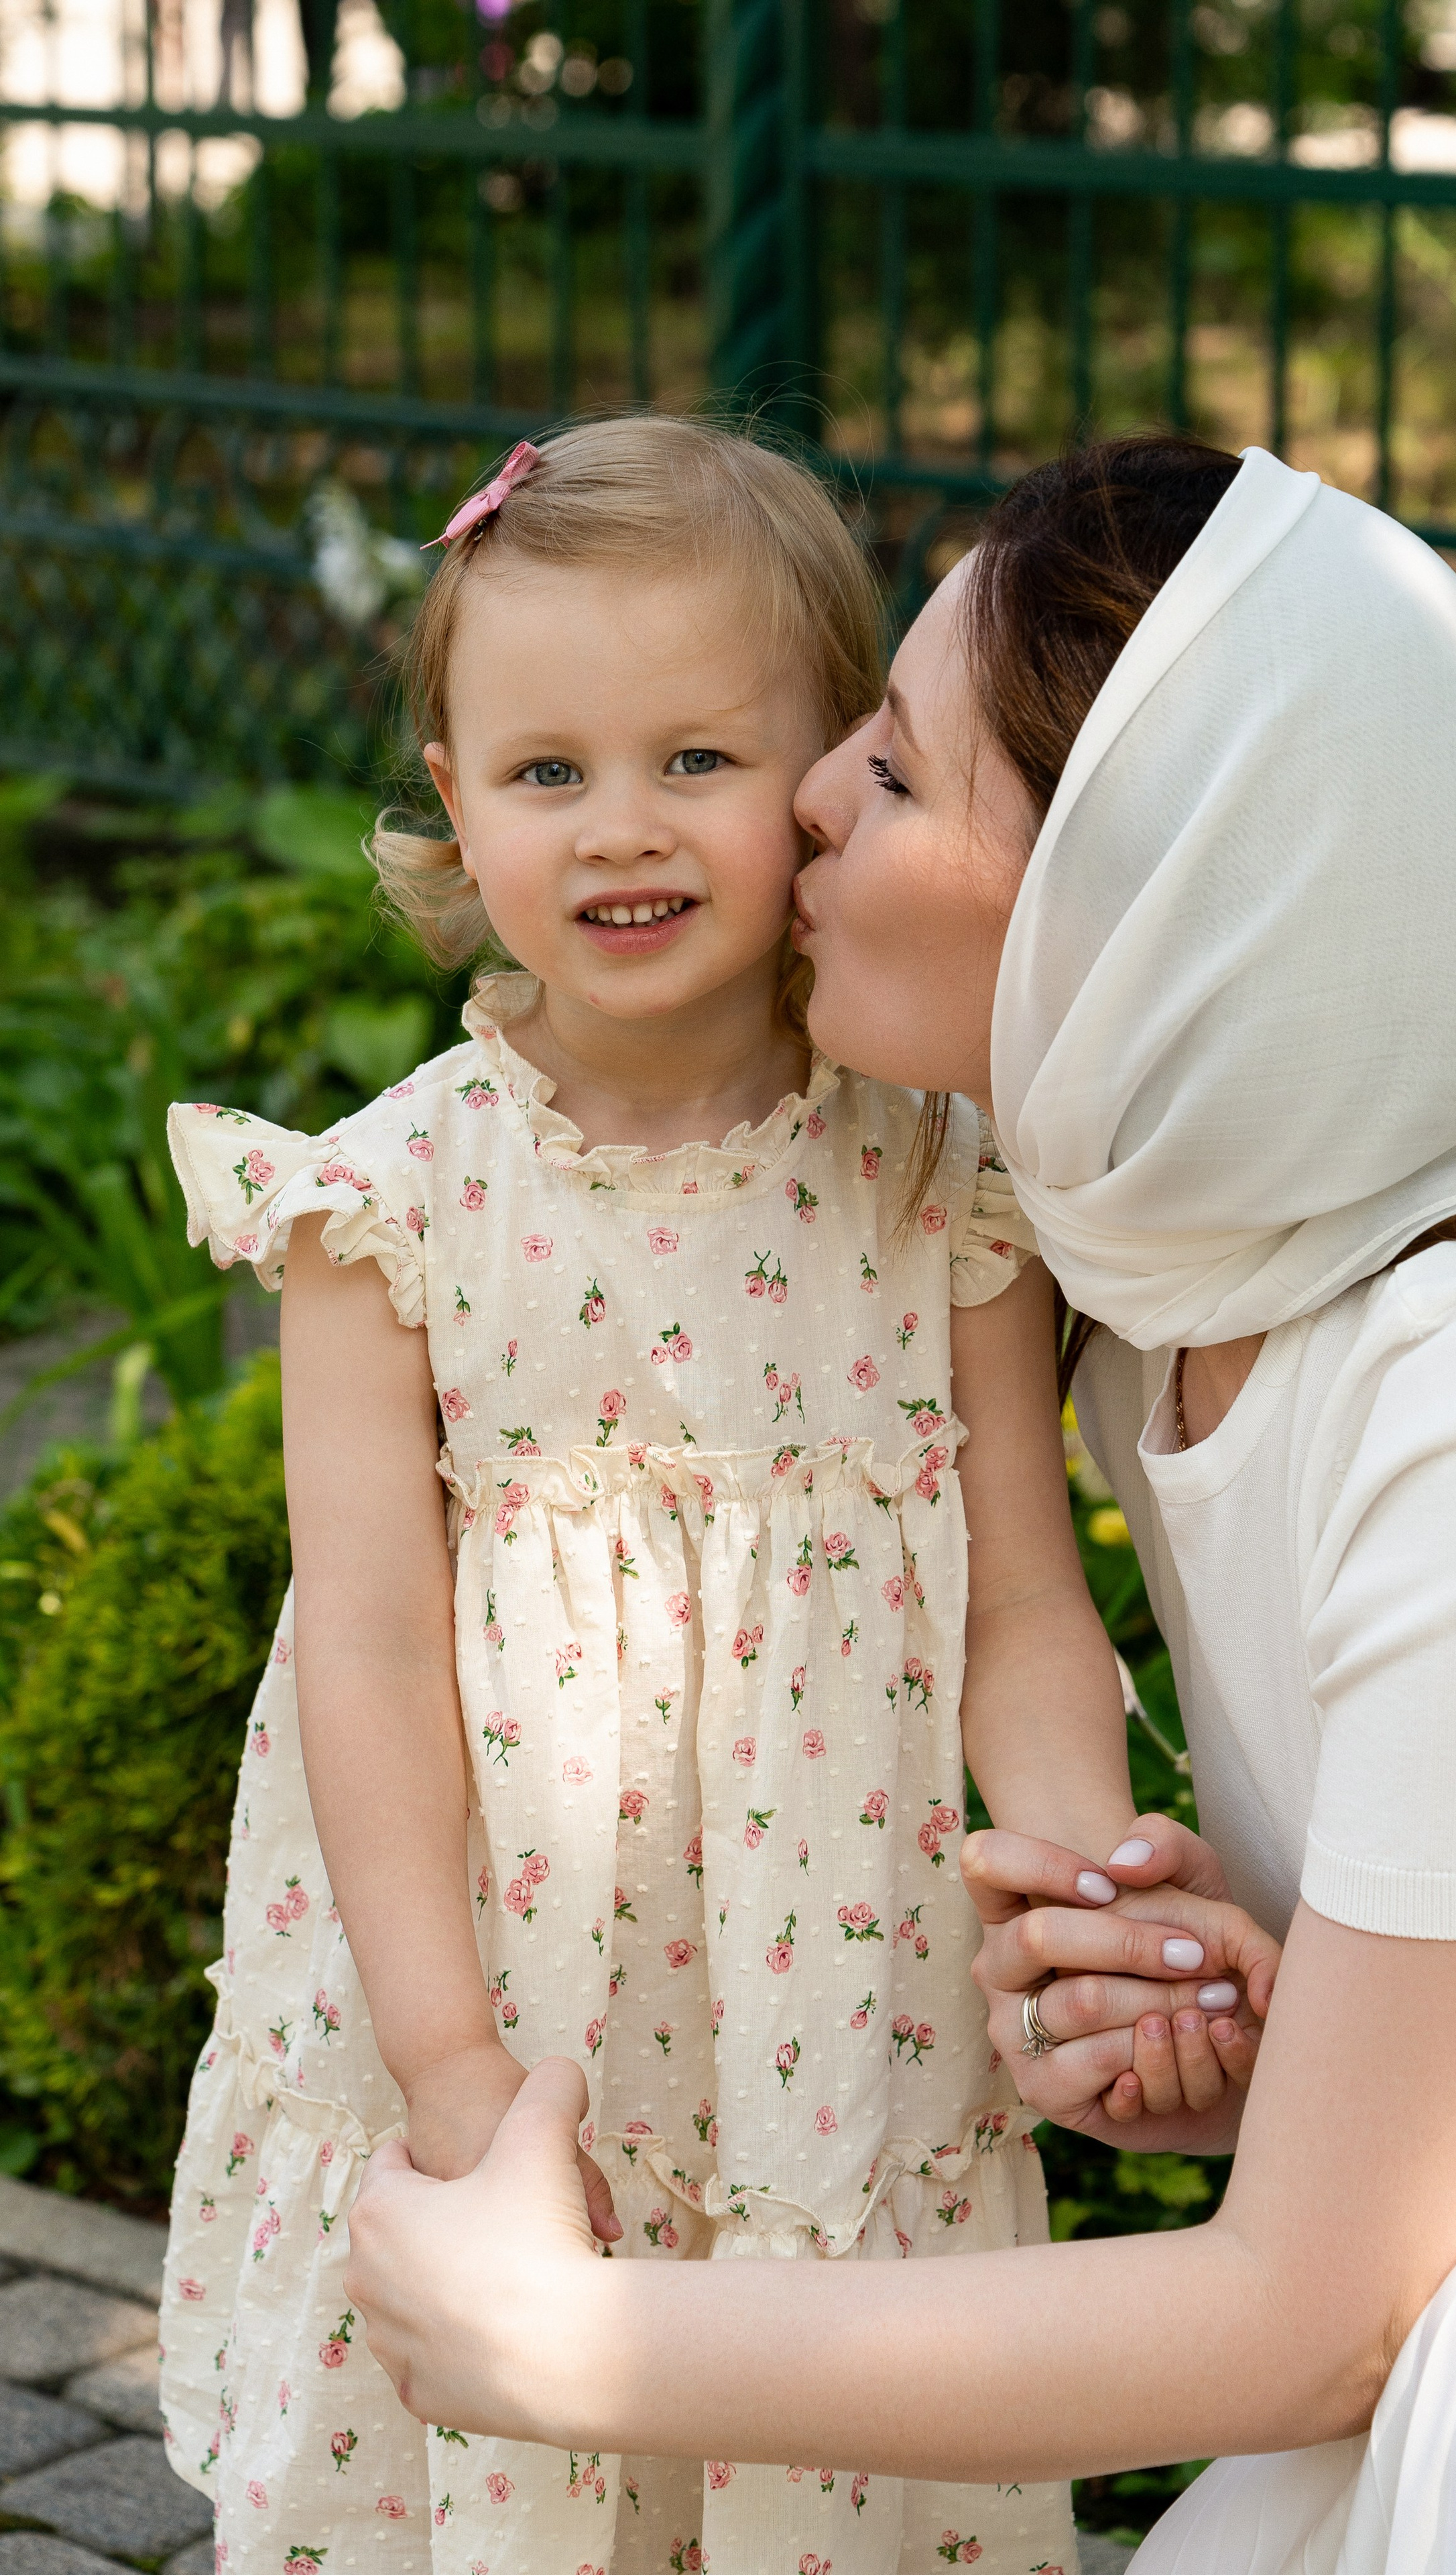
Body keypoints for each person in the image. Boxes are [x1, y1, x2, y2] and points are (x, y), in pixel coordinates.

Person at [343, 433, 1456, 2575]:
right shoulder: (1167, 1262)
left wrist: (570, 2347)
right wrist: (1269, 2042)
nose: (802, 798)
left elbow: (1329, 2316)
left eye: (890, 773)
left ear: (1133, 902)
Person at [155, 416, 1278, 2575]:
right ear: (454, 806)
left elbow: (1024, 1605)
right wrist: (448, 2060)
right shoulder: (386, 1212)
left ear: (832, 779)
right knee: (520, 2473)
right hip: (509, 1990)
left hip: (822, 1988)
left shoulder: (931, 1178)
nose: (619, 827)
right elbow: (370, 1662)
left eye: (697, 758)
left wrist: (1078, 1892)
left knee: (814, 2442)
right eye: (544, 771)